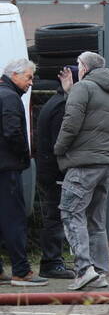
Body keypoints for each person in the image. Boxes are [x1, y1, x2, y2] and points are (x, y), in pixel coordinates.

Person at [54, 51, 109, 290]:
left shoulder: (85, 88)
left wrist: (58, 149)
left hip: (83, 164)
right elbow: (92, 114)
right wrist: (72, 90)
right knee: (95, 220)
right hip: (105, 164)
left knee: (71, 213)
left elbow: (71, 122)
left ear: (84, 67)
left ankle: (83, 269)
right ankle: (99, 271)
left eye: (78, 65)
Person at [0, 58, 48, 286]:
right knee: (14, 219)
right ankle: (21, 271)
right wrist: (24, 156)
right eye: (28, 77)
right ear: (15, 75)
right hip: (7, 168)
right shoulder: (10, 98)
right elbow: (12, 132)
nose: (31, 83)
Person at [32, 66, 81, 280]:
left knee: (55, 215)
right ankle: (51, 262)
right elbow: (59, 143)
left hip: (49, 168)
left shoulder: (55, 102)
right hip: (56, 171)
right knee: (56, 217)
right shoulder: (63, 106)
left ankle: (53, 260)